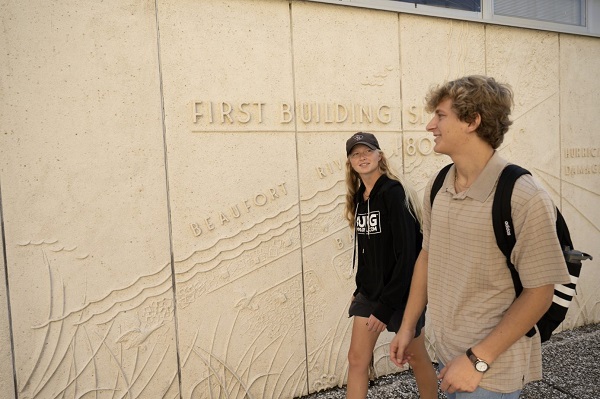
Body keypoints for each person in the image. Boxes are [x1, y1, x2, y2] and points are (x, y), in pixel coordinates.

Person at [389, 75, 571, 398]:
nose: (431, 125)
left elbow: (540, 292)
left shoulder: (523, 196)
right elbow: (427, 258)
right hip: (449, 359)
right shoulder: (438, 186)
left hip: (491, 372)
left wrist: (477, 361)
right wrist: (407, 326)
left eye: (441, 116)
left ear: (473, 121)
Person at [344, 132, 438, 399]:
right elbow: (368, 252)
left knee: (415, 357)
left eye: (367, 151)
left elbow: (408, 257)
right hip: (370, 294)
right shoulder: (360, 198)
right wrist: (360, 288)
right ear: (350, 162)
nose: (362, 157)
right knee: (357, 360)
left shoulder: (394, 193)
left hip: (403, 294)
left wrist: (386, 307)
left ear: (379, 156)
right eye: (355, 154)